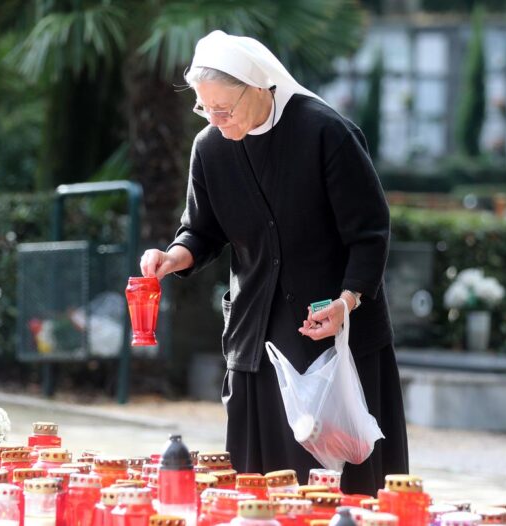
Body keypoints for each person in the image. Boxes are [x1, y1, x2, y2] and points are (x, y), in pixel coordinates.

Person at [139, 30, 408, 494]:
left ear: (259, 86)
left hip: (333, 334)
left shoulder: (327, 133)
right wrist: (172, 258)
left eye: (225, 108)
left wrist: (347, 301)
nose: (217, 120)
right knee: (258, 482)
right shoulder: (210, 147)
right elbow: (201, 230)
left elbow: (369, 233)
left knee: (345, 487)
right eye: (206, 109)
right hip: (257, 341)